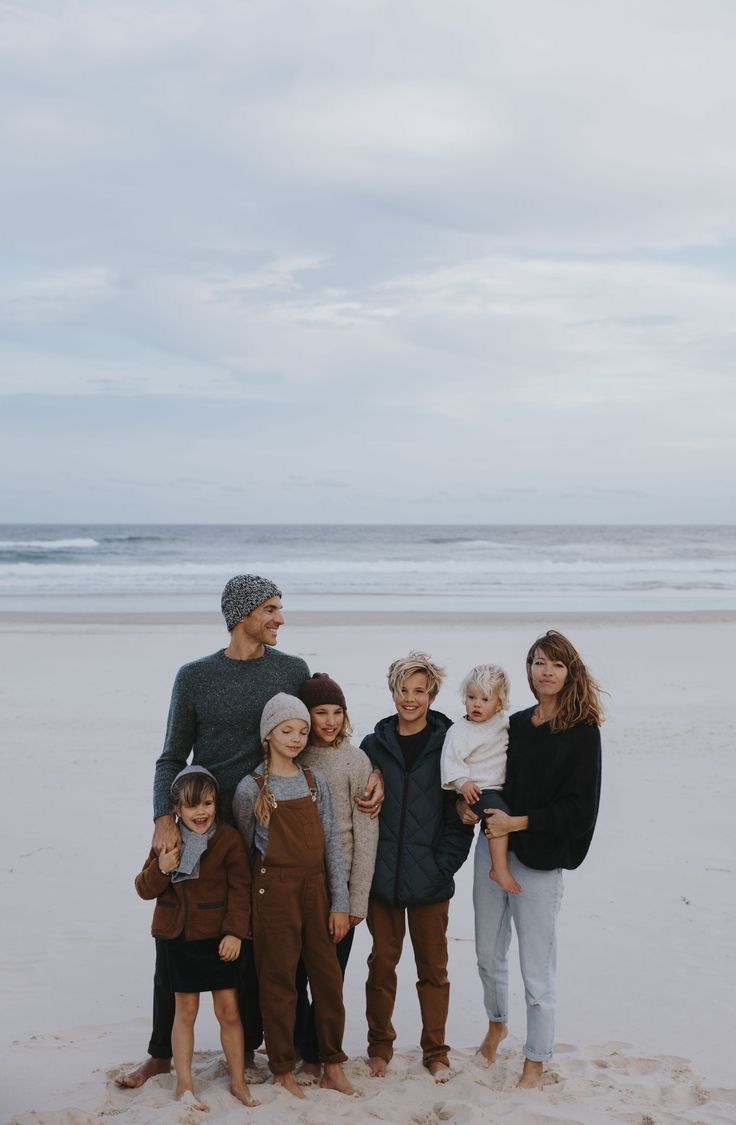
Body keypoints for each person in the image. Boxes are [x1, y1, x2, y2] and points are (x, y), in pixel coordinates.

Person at [117, 575, 385, 1090]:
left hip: (277, 827)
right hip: (208, 826)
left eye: (280, 609)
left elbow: (320, 736)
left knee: (269, 947)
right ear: (242, 615)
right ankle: (160, 1053)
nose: (280, 618)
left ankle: (287, 1049)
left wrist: (375, 774)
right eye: (271, 609)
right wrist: (163, 818)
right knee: (175, 933)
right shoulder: (194, 677)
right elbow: (172, 756)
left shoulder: (292, 670)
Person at [464, 630, 603, 1090]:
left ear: (570, 672)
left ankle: (536, 1060)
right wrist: (464, 806)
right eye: (538, 662)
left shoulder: (583, 733)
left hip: (539, 858)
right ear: (528, 669)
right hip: (492, 845)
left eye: (556, 665)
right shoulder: (516, 723)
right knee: (487, 953)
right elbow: (488, 772)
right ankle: (497, 1023)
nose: (546, 672)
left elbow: (579, 812)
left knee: (536, 969)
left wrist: (516, 824)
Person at [232, 694, 357, 1099]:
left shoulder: (312, 781)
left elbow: (333, 847)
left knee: (328, 980)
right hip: (273, 893)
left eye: (303, 731)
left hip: (315, 890)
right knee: (278, 983)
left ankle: (333, 1065)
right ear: (268, 734)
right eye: (287, 730)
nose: (297, 738)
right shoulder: (250, 788)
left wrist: (339, 903)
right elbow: (249, 850)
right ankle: (283, 1069)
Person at [361, 651, 474, 1083]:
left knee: (433, 971)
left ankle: (436, 1051)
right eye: (403, 690)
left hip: (431, 882)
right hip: (382, 880)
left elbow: (459, 815)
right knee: (381, 966)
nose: (411, 699)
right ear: (393, 692)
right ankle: (379, 1048)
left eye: (419, 691)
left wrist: (441, 867)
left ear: (432, 694)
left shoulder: (449, 744)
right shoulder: (373, 745)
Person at [135, 766, 256, 1111]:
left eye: (207, 803)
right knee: (184, 1011)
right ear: (176, 809)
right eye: (191, 806)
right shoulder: (167, 842)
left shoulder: (228, 839)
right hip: (180, 937)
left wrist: (235, 933)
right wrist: (162, 868)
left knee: (229, 1011)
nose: (200, 813)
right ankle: (184, 1085)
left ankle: (238, 1081)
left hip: (220, 938)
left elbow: (241, 890)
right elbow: (143, 889)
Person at [294, 673, 379, 1084]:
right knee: (294, 977)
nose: (329, 721)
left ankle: (324, 1057)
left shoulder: (355, 760)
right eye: (320, 712)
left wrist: (356, 900)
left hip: (340, 890)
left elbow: (365, 834)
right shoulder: (294, 755)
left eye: (337, 712)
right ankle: (303, 1052)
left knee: (331, 979)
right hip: (297, 889)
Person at [440, 663, 520, 893]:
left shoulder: (502, 722)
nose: (476, 704)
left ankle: (504, 864)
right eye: (471, 697)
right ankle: (499, 869)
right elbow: (450, 761)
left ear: (499, 704)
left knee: (504, 812)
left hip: (498, 786)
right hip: (477, 789)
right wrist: (462, 782)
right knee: (498, 819)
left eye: (485, 699)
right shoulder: (459, 730)